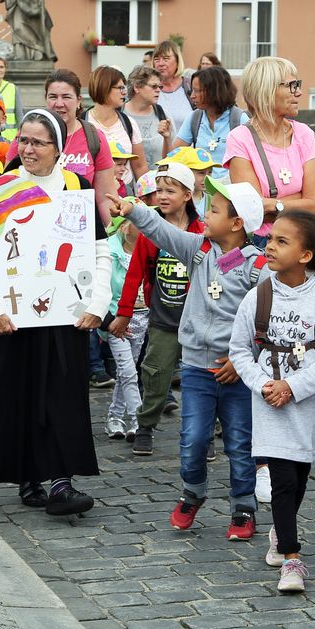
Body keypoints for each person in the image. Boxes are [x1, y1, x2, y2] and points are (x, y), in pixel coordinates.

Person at [0, 109, 113, 516]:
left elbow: (97, 251)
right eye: (22, 140)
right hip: (16, 317)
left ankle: (61, 482)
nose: (27, 149)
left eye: (37, 142)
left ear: (58, 148)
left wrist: (97, 304)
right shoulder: (3, 189)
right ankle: (28, 476)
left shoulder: (76, 186)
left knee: (63, 396)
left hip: (66, 314)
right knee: (20, 395)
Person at [109, 177, 269, 539]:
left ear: (237, 223)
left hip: (237, 373)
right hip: (197, 367)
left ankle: (243, 506)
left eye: (213, 209)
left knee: (240, 443)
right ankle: (193, 492)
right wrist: (134, 210)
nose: (205, 213)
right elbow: (161, 231)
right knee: (194, 438)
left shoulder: (259, 268)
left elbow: (266, 322)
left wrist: (243, 359)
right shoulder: (198, 250)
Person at [228, 211, 315, 593]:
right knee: (281, 480)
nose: (270, 247)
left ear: (306, 255)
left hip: (306, 406)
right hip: (268, 406)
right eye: (270, 239)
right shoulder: (257, 296)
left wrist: (292, 387)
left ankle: (281, 532)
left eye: (282, 241)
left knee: (297, 478)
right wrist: (265, 385)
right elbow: (239, 351)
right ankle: (292, 559)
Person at [109, 162, 203, 456]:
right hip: (163, 319)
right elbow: (135, 273)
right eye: (158, 190)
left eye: (170, 190)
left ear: (188, 195)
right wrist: (124, 313)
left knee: (202, 378)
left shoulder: (202, 231)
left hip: (198, 322)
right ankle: (146, 426)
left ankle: (207, 435)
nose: (162, 196)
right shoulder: (150, 232)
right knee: (155, 374)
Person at [225, 57, 315, 241]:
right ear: (266, 90)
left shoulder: (304, 134)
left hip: (302, 239)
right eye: (292, 85)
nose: (299, 92)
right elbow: (253, 210)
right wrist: (297, 199)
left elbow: (314, 205)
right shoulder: (240, 138)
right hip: (261, 243)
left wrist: (272, 204)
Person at [42, 69, 117, 223]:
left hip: (80, 230)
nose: (59, 103)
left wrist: (112, 236)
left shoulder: (94, 138)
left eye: (66, 97)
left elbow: (105, 199)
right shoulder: (27, 136)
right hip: (37, 225)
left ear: (78, 101)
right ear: (46, 99)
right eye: (53, 97)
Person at [104, 215, 148, 440]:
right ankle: (138, 421)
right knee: (129, 373)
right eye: (137, 222)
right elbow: (102, 290)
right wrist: (109, 320)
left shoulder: (149, 249)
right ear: (123, 227)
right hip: (117, 322)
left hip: (142, 319)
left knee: (125, 373)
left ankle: (114, 418)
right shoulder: (108, 254)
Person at [175, 66, 247, 179]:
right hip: (202, 189)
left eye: (197, 91)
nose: (192, 96)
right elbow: (175, 155)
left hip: (231, 190)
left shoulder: (239, 119)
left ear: (214, 91)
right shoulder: (194, 118)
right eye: (191, 91)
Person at [81, 66, 149, 181]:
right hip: (93, 193)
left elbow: (140, 166)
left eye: (125, 88)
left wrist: (147, 194)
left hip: (125, 195)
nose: (124, 93)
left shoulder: (128, 123)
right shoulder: (82, 122)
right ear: (105, 87)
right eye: (120, 88)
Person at [153, 40, 195, 125]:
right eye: (157, 59)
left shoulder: (190, 86)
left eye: (166, 59)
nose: (161, 64)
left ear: (177, 61)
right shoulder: (148, 88)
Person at [0, 56, 21, 141]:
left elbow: (19, 115)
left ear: (5, 70)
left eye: (1, 67)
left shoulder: (13, 88)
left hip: (10, 137)